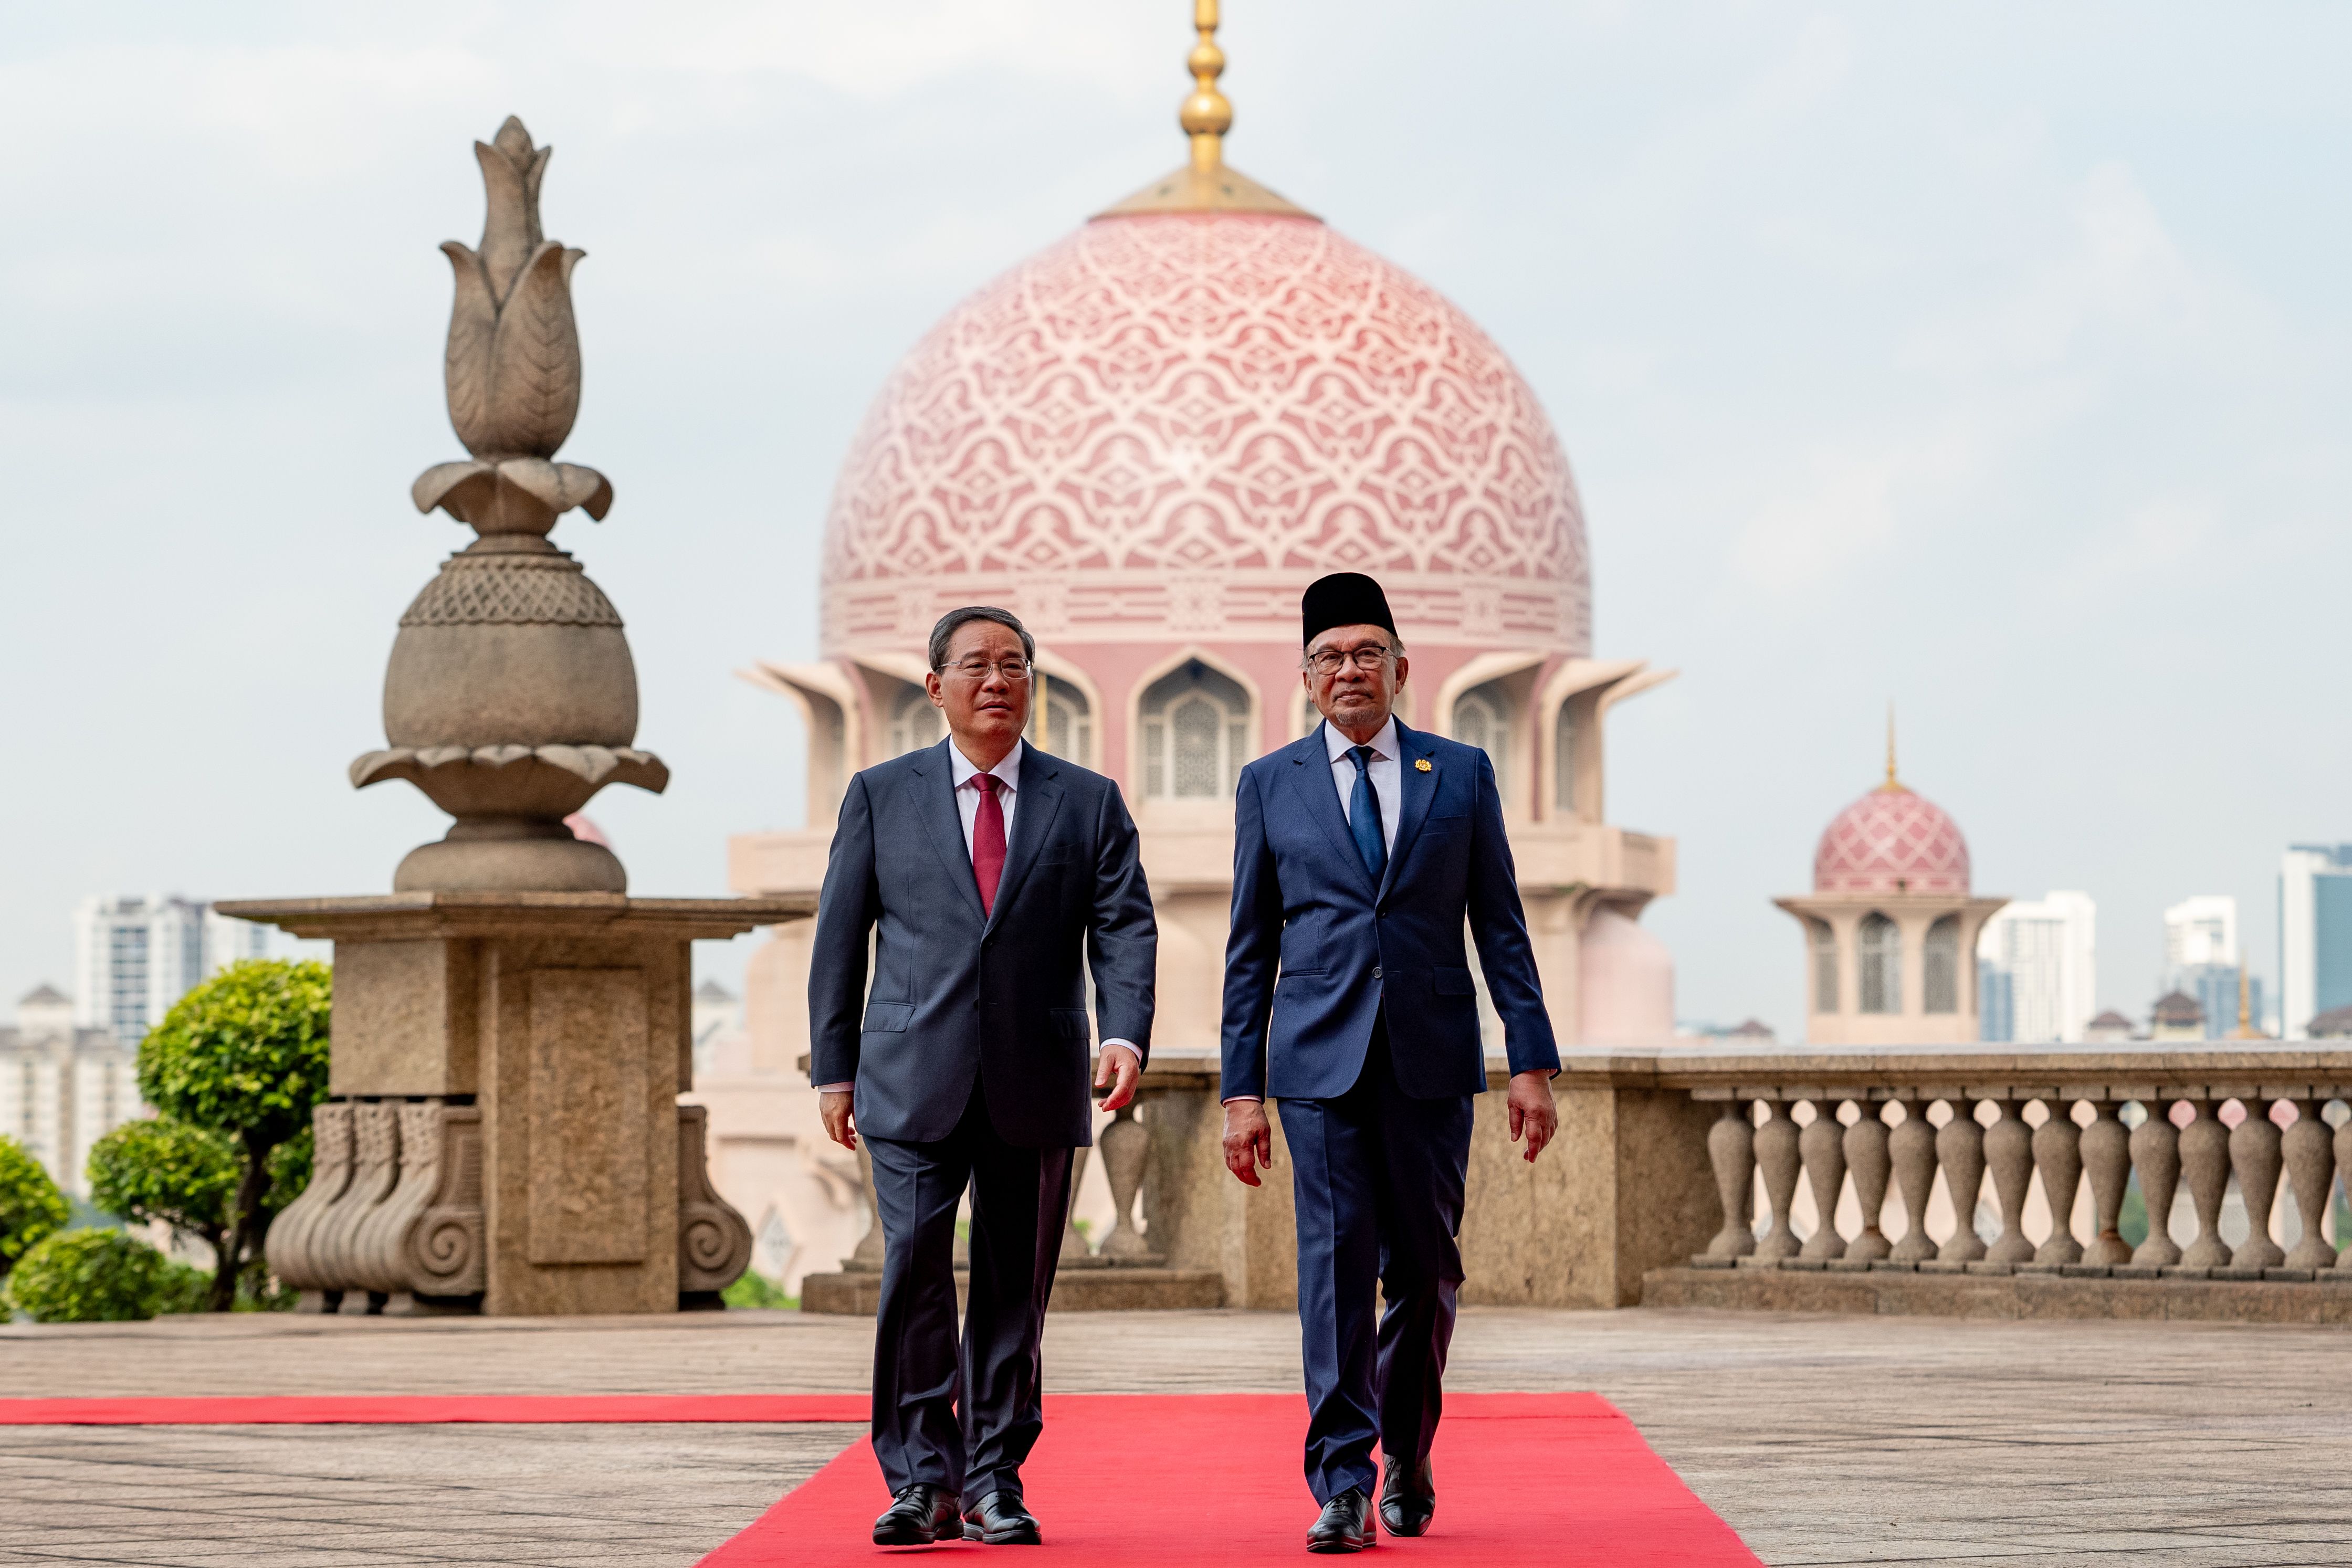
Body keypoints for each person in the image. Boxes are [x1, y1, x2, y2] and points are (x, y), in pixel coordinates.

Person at [1220, 572, 1561, 1554]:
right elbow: (1252, 950)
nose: (1349, 670)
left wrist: (1529, 1062)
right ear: (1306, 678)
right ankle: (1341, 1482)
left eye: (1367, 653)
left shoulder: (1458, 774)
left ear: (1402, 670)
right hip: (1317, 1068)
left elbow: (1500, 925)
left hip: (1429, 1062)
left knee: (1425, 1269)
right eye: (1330, 657)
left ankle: (1408, 1452)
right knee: (1331, 1273)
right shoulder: (1270, 783)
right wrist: (1243, 1091)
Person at [808, 605, 1157, 1548]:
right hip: (909, 1076)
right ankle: (923, 1481)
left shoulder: (1088, 801)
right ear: (935, 687)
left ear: (1034, 686)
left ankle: (996, 1475)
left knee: (1015, 1287)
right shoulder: (881, 795)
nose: (995, 680)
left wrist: (1125, 1032)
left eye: (1013, 666)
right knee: (915, 1269)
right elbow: (841, 939)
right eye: (974, 666)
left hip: (1036, 1078)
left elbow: (1125, 927)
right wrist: (833, 1071)